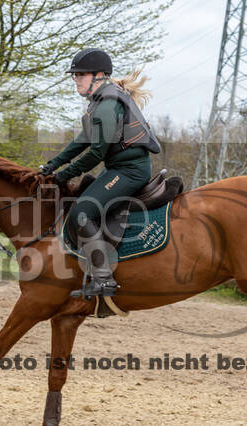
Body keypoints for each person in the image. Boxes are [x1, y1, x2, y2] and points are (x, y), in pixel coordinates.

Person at [40, 48, 161, 298]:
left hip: (129, 171)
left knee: (82, 213)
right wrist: (53, 164)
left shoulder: (107, 104)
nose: (76, 80)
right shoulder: (99, 102)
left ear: (99, 75)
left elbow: (96, 153)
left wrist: (64, 175)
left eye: (80, 75)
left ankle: (104, 279)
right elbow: (81, 141)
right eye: (75, 75)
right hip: (119, 168)